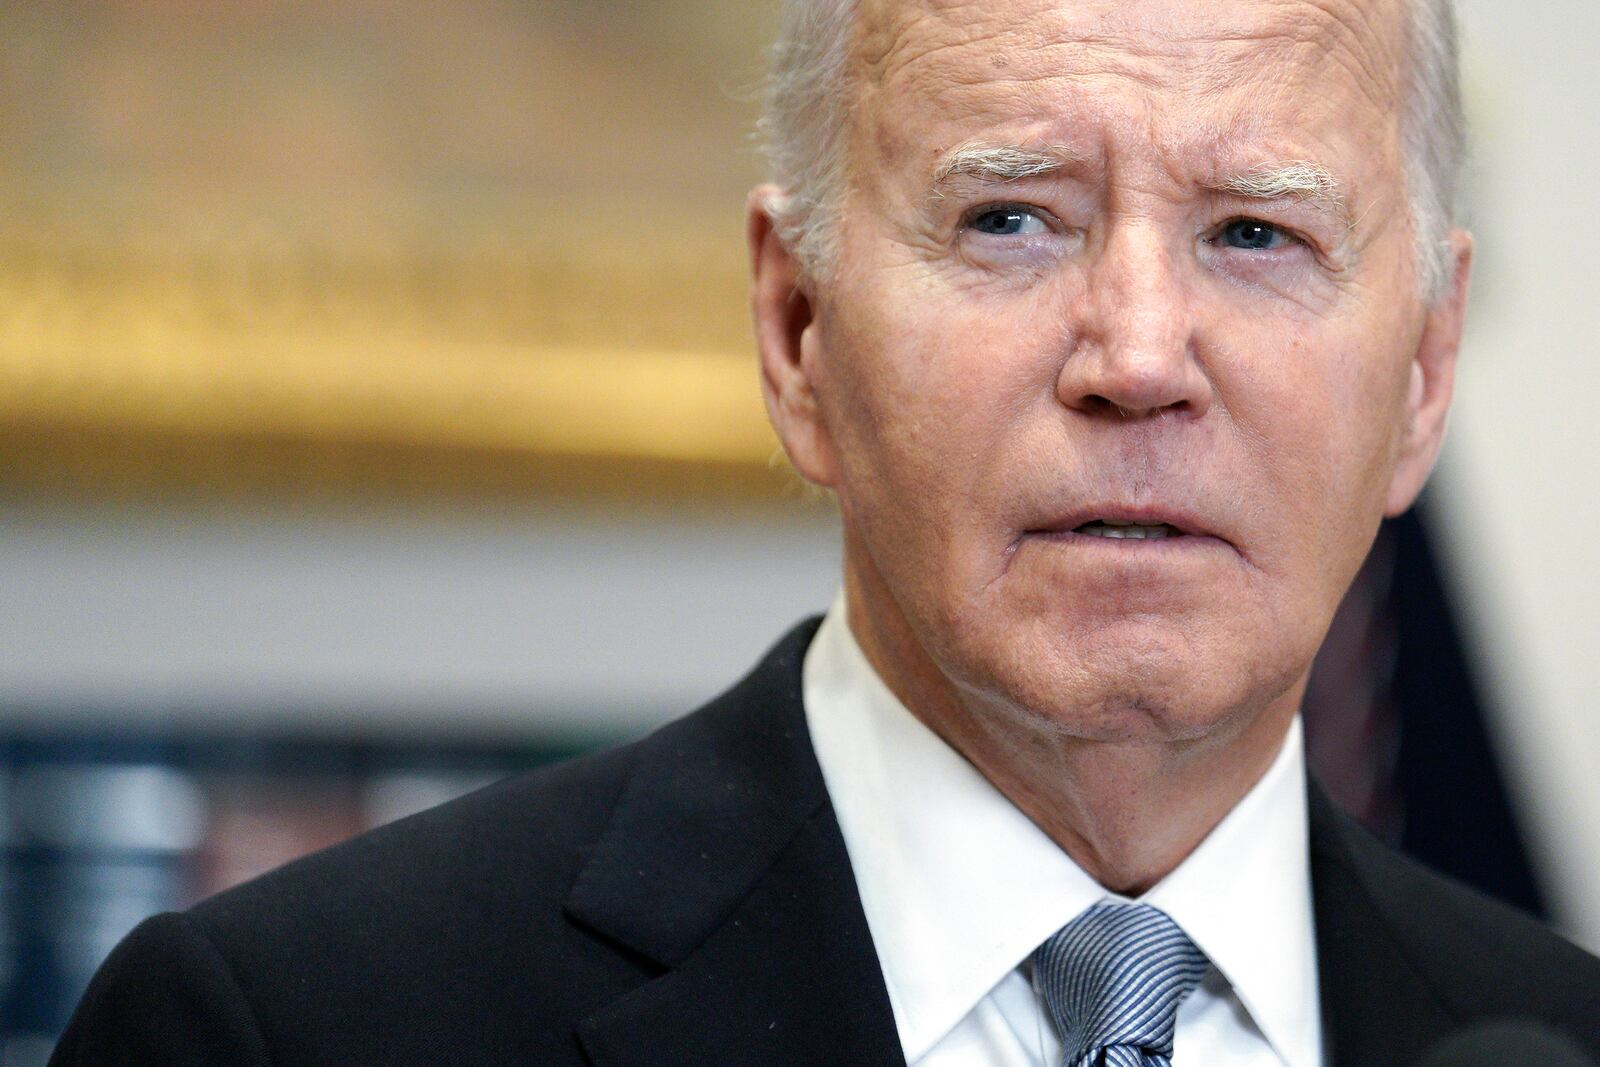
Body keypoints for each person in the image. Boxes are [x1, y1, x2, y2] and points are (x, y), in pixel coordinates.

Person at [50, 0, 1600, 1063]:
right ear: (797, 331)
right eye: (1011, 218)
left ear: (1423, 373)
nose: (1137, 355)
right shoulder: (301, 1030)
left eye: (1257, 232)